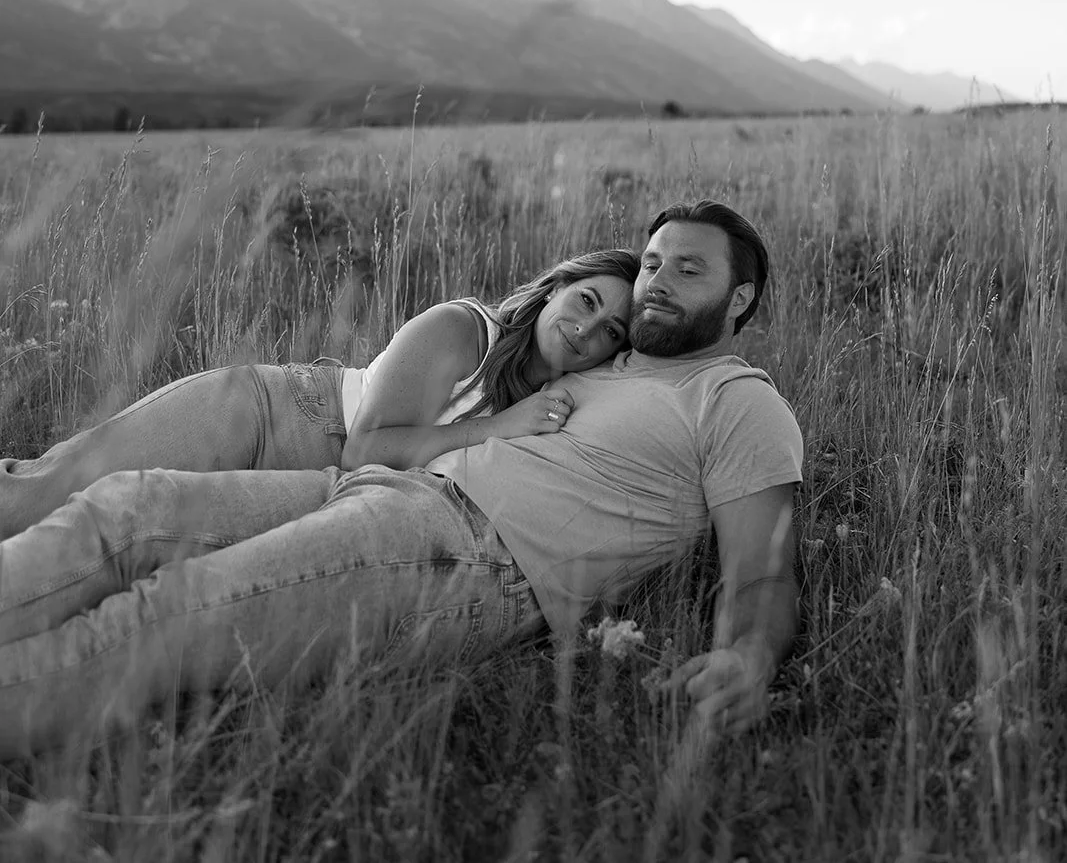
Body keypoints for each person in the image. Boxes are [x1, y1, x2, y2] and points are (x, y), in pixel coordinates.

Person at [0, 201, 804, 761]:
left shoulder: (736, 400)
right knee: (128, 506)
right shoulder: (608, 355)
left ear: (739, 298)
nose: (657, 281)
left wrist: (747, 657)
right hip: (377, 488)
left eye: (687, 270)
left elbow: (762, 565)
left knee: (167, 612)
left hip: (467, 554)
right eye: (653, 261)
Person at [0, 250, 639, 540]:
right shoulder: (463, 329)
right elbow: (368, 445)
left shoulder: (560, 396)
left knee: (106, 542)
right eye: (585, 300)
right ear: (556, 287)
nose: (587, 330)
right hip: (270, 416)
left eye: (611, 329)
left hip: (311, 488)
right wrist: (499, 428)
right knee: (45, 492)